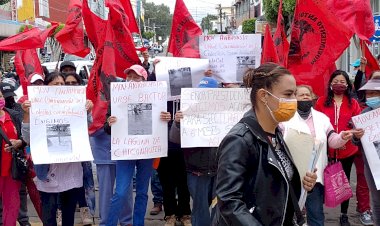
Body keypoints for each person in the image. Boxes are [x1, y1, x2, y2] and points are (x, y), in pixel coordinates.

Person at [212, 63, 317, 226]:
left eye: (294, 94)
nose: (294, 101)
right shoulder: (240, 139)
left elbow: (273, 188)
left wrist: (302, 185)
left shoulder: (276, 133)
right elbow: (229, 201)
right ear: (263, 96)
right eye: (288, 94)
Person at [281, 85, 363, 226]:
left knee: (316, 215)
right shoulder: (284, 119)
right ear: (293, 98)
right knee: (287, 214)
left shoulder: (322, 118)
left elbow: (332, 141)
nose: (305, 97)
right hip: (290, 176)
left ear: (313, 97)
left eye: (308, 94)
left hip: (315, 177)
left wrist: (343, 137)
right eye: (301, 95)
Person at [21, 72, 93, 226]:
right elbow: (28, 139)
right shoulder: (37, 106)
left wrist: (87, 111)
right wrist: (27, 115)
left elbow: (85, 128)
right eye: (56, 84)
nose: (60, 87)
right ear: (46, 88)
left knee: (68, 213)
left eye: (62, 84)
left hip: (70, 167)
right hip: (47, 170)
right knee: (49, 213)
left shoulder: (74, 104)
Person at [105, 64, 172, 226]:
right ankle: (109, 224)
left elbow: (164, 127)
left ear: (145, 80)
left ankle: (138, 223)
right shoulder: (117, 97)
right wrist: (109, 122)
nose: (132, 80)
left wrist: (166, 118)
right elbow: (107, 128)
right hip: (126, 151)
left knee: (142, 192)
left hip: (146, 151)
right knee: (120, 192)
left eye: (137, 77)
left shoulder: (156, 98)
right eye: (129, 77)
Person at [315, 70, 372, 226]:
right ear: (330, 83)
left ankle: (343, 214)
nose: (339, 84)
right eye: (336, 81)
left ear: (348, 85)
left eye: (342, 82)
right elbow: (317, 122)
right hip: (325, 150)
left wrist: (350, 134)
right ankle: (317, 212)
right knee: (321, 182)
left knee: (344, 183)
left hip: (348, 150)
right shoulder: (321, 102)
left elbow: (358, 124)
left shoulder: (352, 103)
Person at [169, 77, 219, 226]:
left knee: (219, 207)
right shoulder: (187, 112)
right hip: (196, 170)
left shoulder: (225, 113)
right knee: (200, 207)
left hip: (219, 170)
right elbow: (175, 139)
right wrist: (177, 123)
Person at [63, 72, 94, 225]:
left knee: (83, 180)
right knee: (61, 184)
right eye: (66, 83)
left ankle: (84, 209)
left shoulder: (83, 101)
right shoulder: (52, 102)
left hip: (79, 148)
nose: (70, 86)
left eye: (73, 83)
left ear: (79, 84)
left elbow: (89, 124)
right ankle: (60, 212)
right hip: (60, 149)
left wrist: (87, 112)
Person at [0, 88, 27, 226]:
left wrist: (20, 142)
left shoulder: (13, 115)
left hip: (12, 169)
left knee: (12, 205)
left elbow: (25, 137)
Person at [355, 76, 380, 225]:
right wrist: (356, 137)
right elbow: (356, 141)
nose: (372, 97)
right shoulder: (364, 114)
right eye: (369, 94)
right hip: (372, 167)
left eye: (375, 93)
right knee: (376, 202)